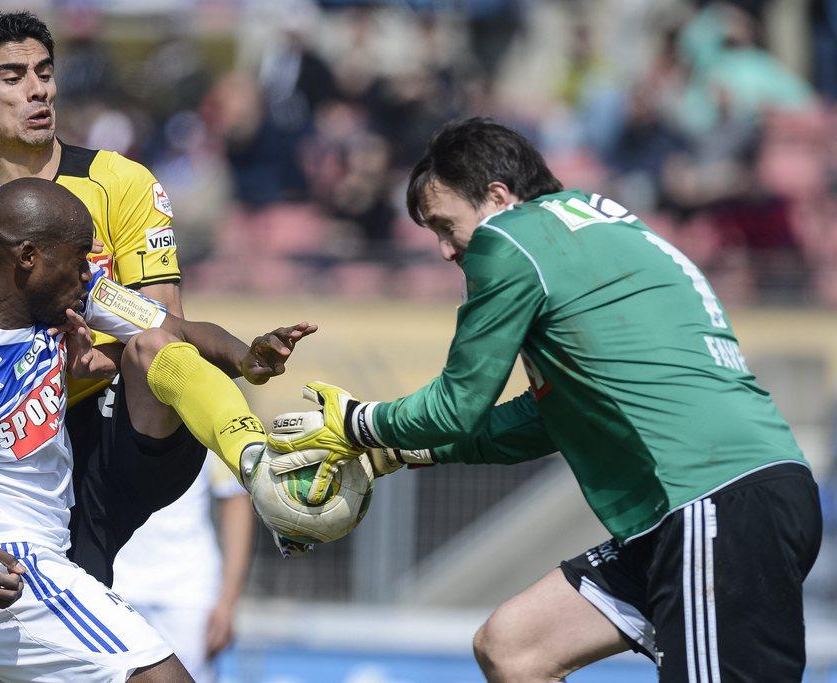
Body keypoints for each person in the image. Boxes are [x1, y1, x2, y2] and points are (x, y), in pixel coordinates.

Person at [267, 117, 823, 682]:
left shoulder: (509, 238)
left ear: (498, 198)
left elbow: (459, 403)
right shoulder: (594, 228)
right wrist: (417, 451)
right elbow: (547, 416)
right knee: (515, 646)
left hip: (715, 501)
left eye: (444, 225)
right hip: (707, 499)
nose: (443, 250)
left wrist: (362, 423)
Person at [0, 178, 309, 682]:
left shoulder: (67, 294)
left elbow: (173, 331)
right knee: (164, 676)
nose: (89, 272)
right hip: (11, 575)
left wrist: (246, 356)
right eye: (78, 259)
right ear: (28, 258)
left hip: (28, 569)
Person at [0, 11, 240, 585]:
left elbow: (165, 322)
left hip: (117, 416)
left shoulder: (121, 181)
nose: (37, 89)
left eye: (44, 72)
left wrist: (106, 355)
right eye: (13, 76)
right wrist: (29, 363)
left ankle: (259, 460)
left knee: (158, 347)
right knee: (42, 616)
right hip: (21, 438)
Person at [113, 456, 253, 682]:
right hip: (112, 583)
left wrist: (228, 601)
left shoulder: (210, 422)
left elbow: (235, 499)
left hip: (187, 590)